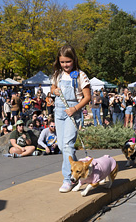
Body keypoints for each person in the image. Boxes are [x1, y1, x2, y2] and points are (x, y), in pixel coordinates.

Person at [51, 44, 91, 193]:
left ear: (74, 60)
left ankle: (68, 179)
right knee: (62, 147)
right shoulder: (58, 74)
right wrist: (54, 91)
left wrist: (75, 108)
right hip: (59, 112)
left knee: (67, 145)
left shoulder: (81, 75)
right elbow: (52, 88)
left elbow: (87, 97)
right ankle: (79, 169)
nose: (65, 65)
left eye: (68, 61)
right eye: (62, 62)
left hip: (73, 112)